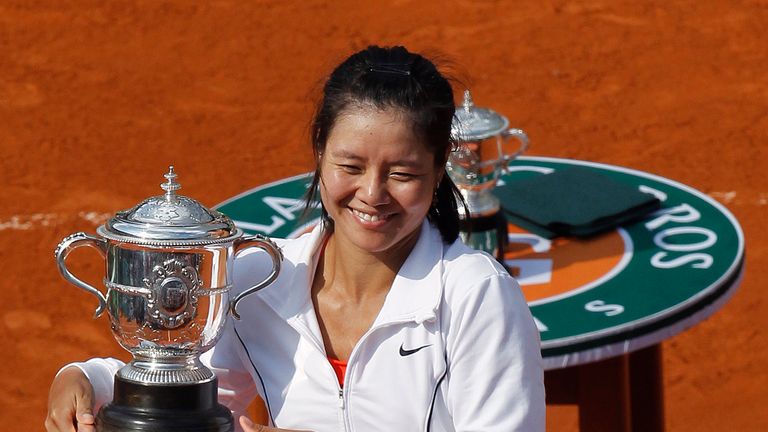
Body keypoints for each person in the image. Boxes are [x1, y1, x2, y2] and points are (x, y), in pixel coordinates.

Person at [46, 45, 545, 432]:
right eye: (350, 166)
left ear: (438, 172)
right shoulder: (258, 279)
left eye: (402, 172)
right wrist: (85, 378)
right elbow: (189, 382)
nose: (372, 194)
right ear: (319, 154)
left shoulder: (476, 294)